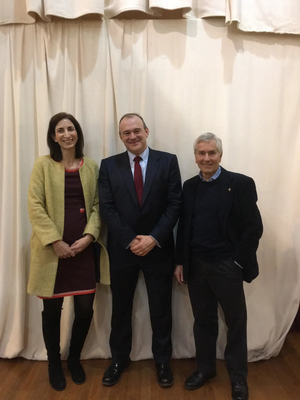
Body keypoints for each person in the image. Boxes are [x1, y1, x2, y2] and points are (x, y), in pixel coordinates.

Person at [175, 133, 263, 400]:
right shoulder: (189, 187)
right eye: (201, 153)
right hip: (197, 266)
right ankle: (205, 369)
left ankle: (238, 379)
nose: (206, 158)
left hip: (227, 266)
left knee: (235, 323)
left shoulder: (240, 184)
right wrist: (180, 260)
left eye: (211, 153)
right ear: (195, 157)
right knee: (203, 321)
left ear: (220, 155)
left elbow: (254, 228)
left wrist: (237, 261)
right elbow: (184, 228)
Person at [98, 113, 182, 387]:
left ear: (146, 130)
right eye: (126, 133)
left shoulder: (168, 161)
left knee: (161, 309)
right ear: (120, 137)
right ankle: (119, 360)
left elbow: (174, 204)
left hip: (158, 250)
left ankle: (162, 362)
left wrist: (154, 238)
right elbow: (107, 207)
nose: (132, 136)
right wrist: (131, 239)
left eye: (137, 131)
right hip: (123, 250)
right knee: (120, 309)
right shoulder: (109, 165)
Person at [27, 112, 110, 391]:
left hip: (83, 250)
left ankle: (74, 358)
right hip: (53, 253)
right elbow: (35, 206)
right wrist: (55, 241)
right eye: (60, 130)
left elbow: (99, 205)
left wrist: (89, 236)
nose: (66, 134)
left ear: (78, 133)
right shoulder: (43, 165)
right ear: (53, 136)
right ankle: (54, 362)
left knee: (85, 309)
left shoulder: (91, 167)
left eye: (70, 129)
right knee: (51, 310)